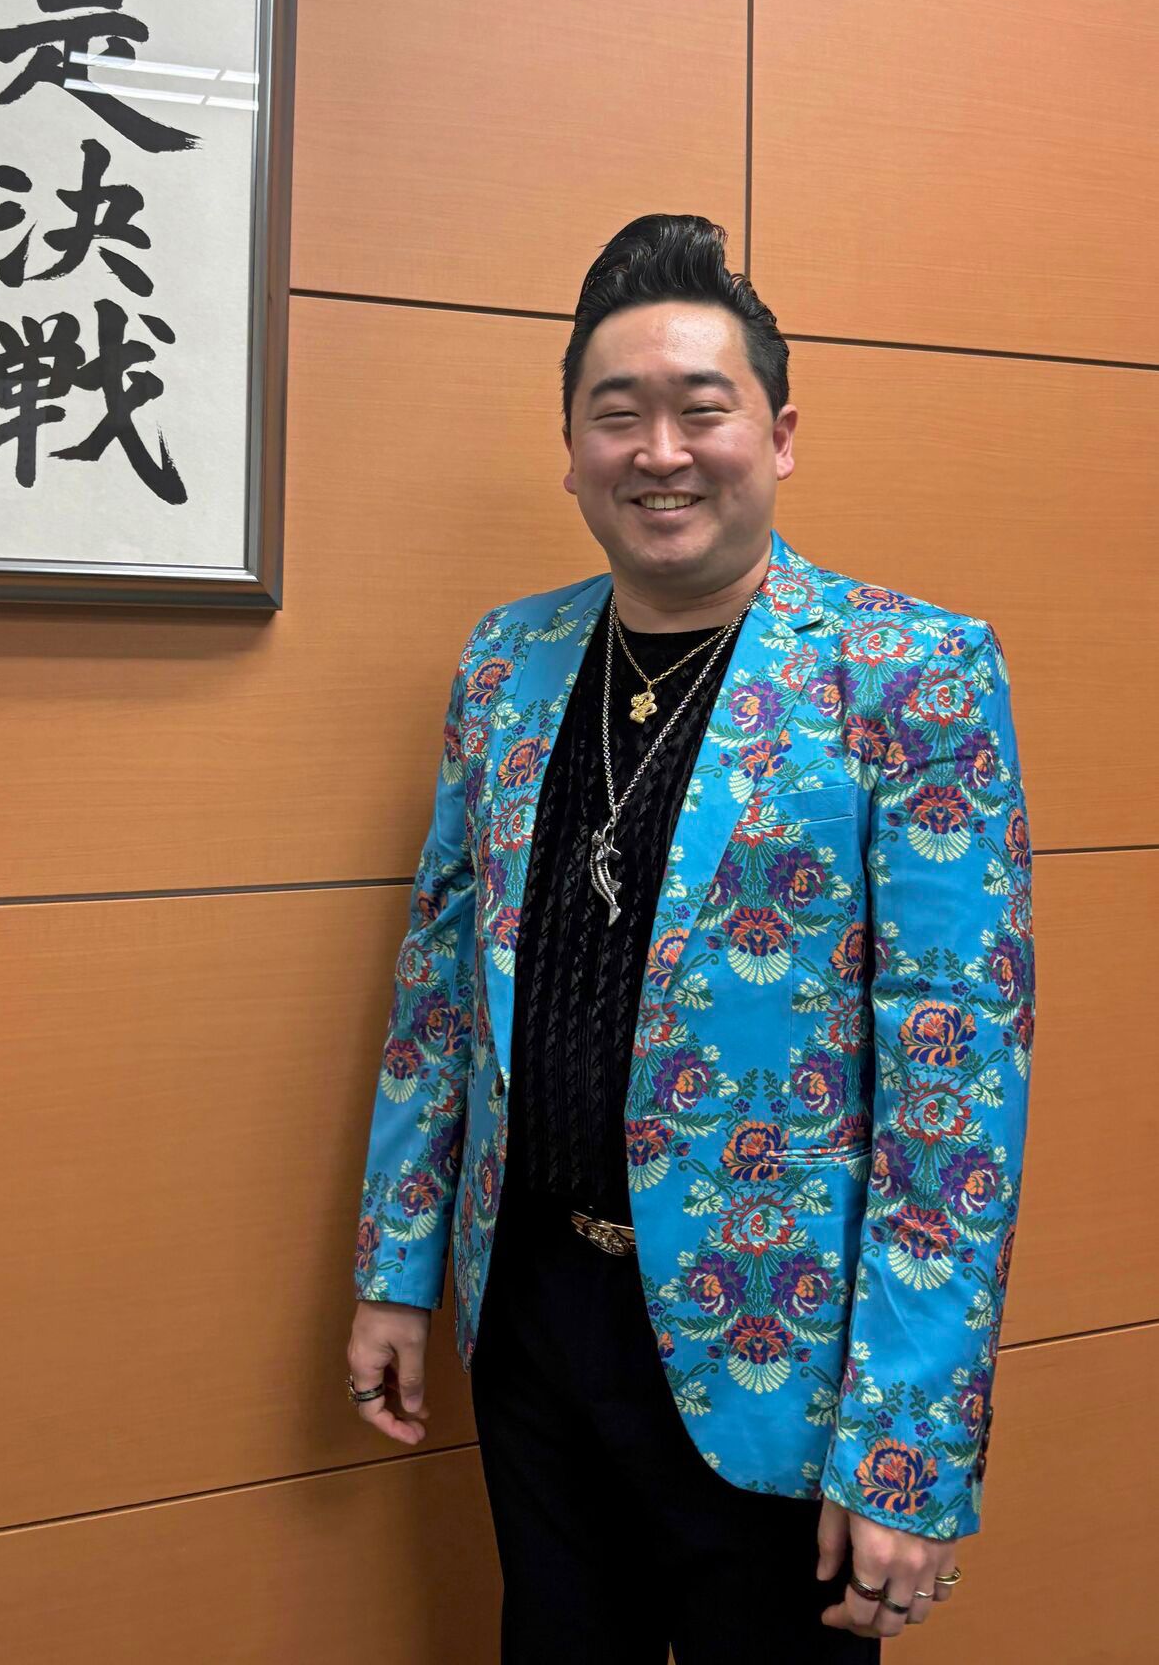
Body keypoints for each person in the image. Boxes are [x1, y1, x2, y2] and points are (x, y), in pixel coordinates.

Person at [346, 214, 1034, 1662]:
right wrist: (395, 1270)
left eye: (701, 409)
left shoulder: (910, 673)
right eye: (619, 414)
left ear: (777, 436)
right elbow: (437, 990)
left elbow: (956, 1079)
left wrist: (909, 1445)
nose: (660, 451)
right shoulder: (508, 662)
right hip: (531, 1317)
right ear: (571, 449)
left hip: (783, 1357)